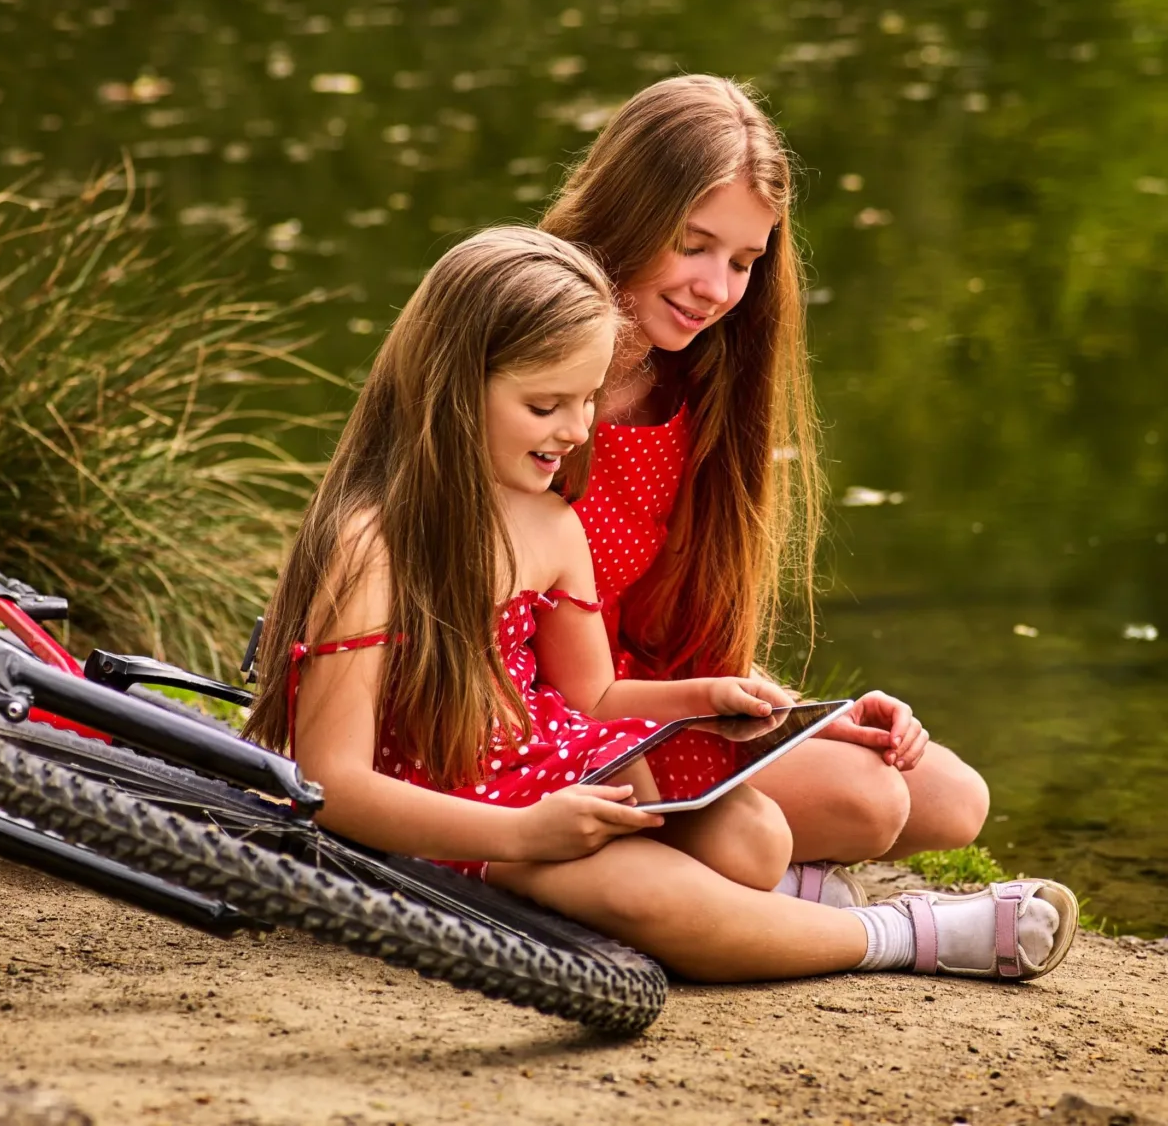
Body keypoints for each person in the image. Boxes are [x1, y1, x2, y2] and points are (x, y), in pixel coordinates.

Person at [245, 225, 1076, 984]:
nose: (576, 430)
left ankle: (773, 902)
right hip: (457, 819)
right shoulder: (373, 546)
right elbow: (333, 782)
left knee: (754, 839)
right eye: (546, 405)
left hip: (550, 773)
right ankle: (912, 934)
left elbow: (593, 697)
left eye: (586, 401)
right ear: (454, 387)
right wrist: (526, 835)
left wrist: (705, 702)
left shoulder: (547, 523)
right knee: (660, 902)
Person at [539, 75, 991, 893]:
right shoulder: (534, 370)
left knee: (953, 797)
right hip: (560, 716)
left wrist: (784, 712)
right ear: (627, 212)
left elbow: (677, 627)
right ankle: (773, 880)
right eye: (693, 243)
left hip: (655, 694)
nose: (716, 289)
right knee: (868, 803)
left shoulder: (694, 385)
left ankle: (757, 856)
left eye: (744, 261)